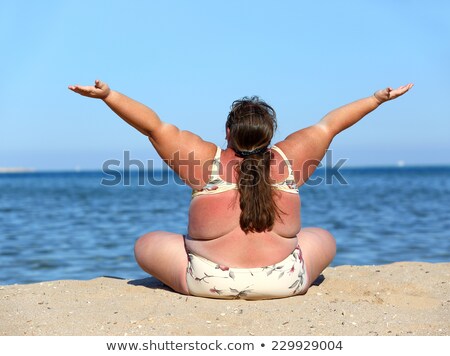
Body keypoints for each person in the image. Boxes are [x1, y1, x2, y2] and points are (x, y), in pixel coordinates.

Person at [69, 80, 413, 299]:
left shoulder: (205, 163)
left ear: (228, 132)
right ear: (270, 133)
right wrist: (375, 99)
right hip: (285, 283)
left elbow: (153, 126)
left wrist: (109, 96)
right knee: (322, 236)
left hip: (207, 283)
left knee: (145, 243)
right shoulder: (291, 159)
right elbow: (331, 125)